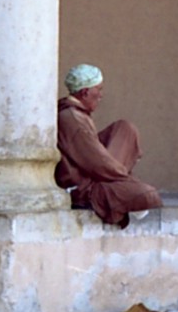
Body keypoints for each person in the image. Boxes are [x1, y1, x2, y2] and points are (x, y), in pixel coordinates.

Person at [55, 63, 163, 228]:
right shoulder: (72, 119)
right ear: (85, 92)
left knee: (125, 129)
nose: (101, 95)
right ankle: (114, 190)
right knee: (147, 194)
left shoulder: (77, 114)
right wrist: (129, 181)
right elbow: (97, 162)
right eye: (99, 90)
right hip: (85, 189)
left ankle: (118, 186)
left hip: (96, 175)